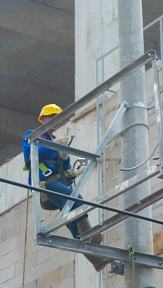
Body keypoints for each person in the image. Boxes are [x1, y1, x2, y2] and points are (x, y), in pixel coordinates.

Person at [22, 103, 111, 272]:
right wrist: (53, 146)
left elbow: (64, 166)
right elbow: (31, 155)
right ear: (43, 119)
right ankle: (90, 233)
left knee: (72, 220)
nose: (55, 122)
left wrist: (64, 157)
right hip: (45, 185)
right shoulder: (32, 135)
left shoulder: (55, 140)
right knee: (74, 199)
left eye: (58, 119)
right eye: (51, 118)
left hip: (59, 183)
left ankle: (96, 260)